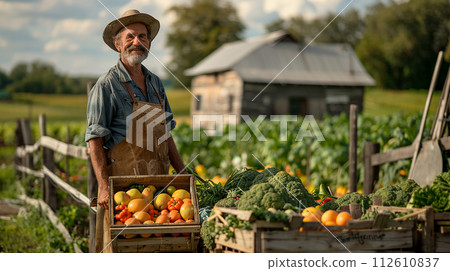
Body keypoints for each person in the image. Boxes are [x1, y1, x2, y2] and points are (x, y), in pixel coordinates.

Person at [85, 10, 185, 210]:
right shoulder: (107, 85)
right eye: (129, 36)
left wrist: (183, 174)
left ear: (149, 44)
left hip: (159, 188)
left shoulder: (155, 83)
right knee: (124, 238)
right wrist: (103, 186)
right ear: (118, 45)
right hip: (124, 190)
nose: (136, 42)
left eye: (142, 36)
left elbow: (165, 132)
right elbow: (94, 138)